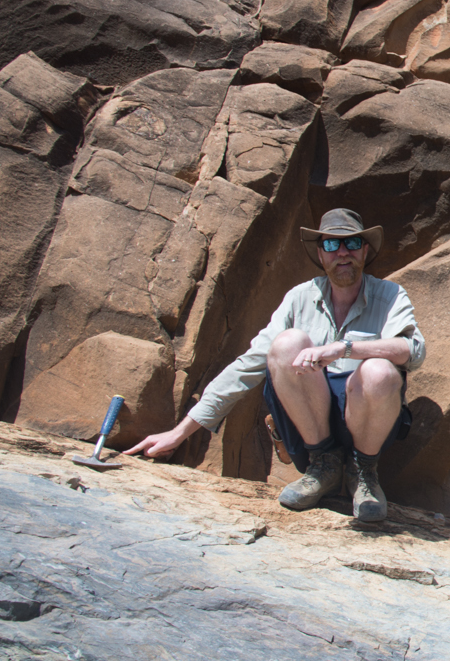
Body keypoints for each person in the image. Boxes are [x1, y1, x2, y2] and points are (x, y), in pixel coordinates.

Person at [124, 209, 425, 522]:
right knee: (286, 343)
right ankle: (323, 466)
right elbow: (249, 364)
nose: (343, 253)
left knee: (381, 371)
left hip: (364, 423)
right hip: (310, 426)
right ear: (321, 255)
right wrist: (180, 433)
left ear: (364, 250)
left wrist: (345, 348)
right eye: (332, 246)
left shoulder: (390, 295)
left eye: (350, 243)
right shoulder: (299, 298)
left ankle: (363, 472)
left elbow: (413, 350)